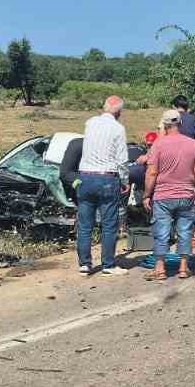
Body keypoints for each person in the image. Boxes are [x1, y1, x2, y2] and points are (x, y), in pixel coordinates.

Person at [144, 109, 195, 280]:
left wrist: (147, 195)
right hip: (186, 195)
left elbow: (151, 172)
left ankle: (160, 269)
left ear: (164, 125)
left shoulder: (158, 144)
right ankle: (184, 268)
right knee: (185, 231)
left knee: (162, 232)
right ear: (180, 123)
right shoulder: (192, 143)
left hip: (163, 196)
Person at [77, 96, 130, 276]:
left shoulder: (90, 122)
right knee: (109, 224)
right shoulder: (118, 128)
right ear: (119, 112)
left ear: (104, 107)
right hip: (106, 177)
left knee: (85, 224)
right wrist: (124, 181)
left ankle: (84, 264)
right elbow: (122, 159)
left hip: (85, 176)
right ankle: (108, 264)